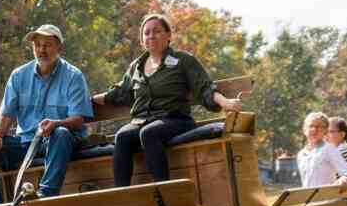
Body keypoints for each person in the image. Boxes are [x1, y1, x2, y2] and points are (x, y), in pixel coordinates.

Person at [92, 13, 242, 187]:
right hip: (141, 121)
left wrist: (226, 103)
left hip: (175, 119)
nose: (151, 36)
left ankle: (164, 189)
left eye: (156, 31)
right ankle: (121, 193)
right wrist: (89, 101)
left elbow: (205, 88)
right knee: (122, 136)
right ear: (142, 40)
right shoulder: (136, 67)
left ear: (168, 35)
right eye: (146, 33)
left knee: (148, 133)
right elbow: (119, 93)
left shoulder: (182, 60)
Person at [0, 24, 93, 206]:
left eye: (47, 45)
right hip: (26, 142)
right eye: (37, 45)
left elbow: (78, 119)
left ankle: (45, 194)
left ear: (60, 48)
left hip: (59, 142)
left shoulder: (73, 76)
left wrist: (56, 123)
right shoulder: (18, 76)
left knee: (61, 133)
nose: (41, 50)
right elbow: (5, 114)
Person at [297, 111, 347, 188]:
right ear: (305, 129)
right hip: (308, 198)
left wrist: (343, 180)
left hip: (325, 198)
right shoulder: (301, 154)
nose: (314, 129)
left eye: (319, 126)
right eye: (311, 126)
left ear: (325, 130)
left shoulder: (329, 149)